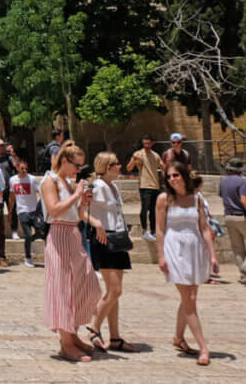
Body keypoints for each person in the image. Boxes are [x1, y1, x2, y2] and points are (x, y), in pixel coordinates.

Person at [39, 141, 100, 362]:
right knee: (63, 290)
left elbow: (75, 213)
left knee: (87, 285)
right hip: (59, 236)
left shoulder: (66, 181)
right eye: (77, 165)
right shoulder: (49, 181)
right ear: (65, 161)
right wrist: (76, 195)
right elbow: (54, 210)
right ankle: (67, 343)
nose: (78, 170)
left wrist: (83, 202)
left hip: (73, 235)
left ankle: (72, 333)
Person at [156, 161, 219, 366]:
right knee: (189, 299)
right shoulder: (164, 199)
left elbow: (204, 228)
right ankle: (204, 347)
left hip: (195, 249)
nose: (172, 180)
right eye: (169, 177)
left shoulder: (197, 199)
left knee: (189, 297)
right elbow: (159, 229)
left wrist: (212, 256)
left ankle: (178, 337)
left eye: (175, 175)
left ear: (183, 176)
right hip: (174, 249)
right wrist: (161, 256)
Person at [85, 152, 137, 353]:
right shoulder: (97, 187)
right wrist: (95, 223)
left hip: (117, 239)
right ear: (107, 167)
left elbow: (117, 214)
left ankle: (115, 338)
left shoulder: (113, 187)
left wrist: (126, 236)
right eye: (116, 164)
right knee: (115, 290)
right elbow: (81, 210)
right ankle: (93, 327)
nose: (120, 166)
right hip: (104, 239)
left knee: (114, 292)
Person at [220, 157, 246, 286]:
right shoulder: (242, 182)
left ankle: (244, 277)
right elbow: (244, 200)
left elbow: (224, 201)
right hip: (242, 216)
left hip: (228, 216)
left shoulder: (223, 182)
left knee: (238, 248)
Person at [128, 135, 163, 242]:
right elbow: (129, 168)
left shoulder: (155, 155)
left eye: (148, 143)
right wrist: (133, 161)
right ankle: (144, 231)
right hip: (145, 185)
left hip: (155, 186)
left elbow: (162, 166)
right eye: (144, 144)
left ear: (152, 143)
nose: (146, 145)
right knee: (144, 208)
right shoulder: (139, 154)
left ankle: (152, 232)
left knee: (153, 210)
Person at [9, 160, 41, 268]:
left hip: (34, 211)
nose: (24, 171)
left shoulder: (32, 179)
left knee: (41, 232)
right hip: (22, 211)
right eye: (22, 168)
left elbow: (40, 192)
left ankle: (30, 244)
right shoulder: (13, 180)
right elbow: (12, 197)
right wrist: (10, 211)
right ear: (17, 168)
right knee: (27, 234)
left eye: (26, 169)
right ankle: (28, 257)